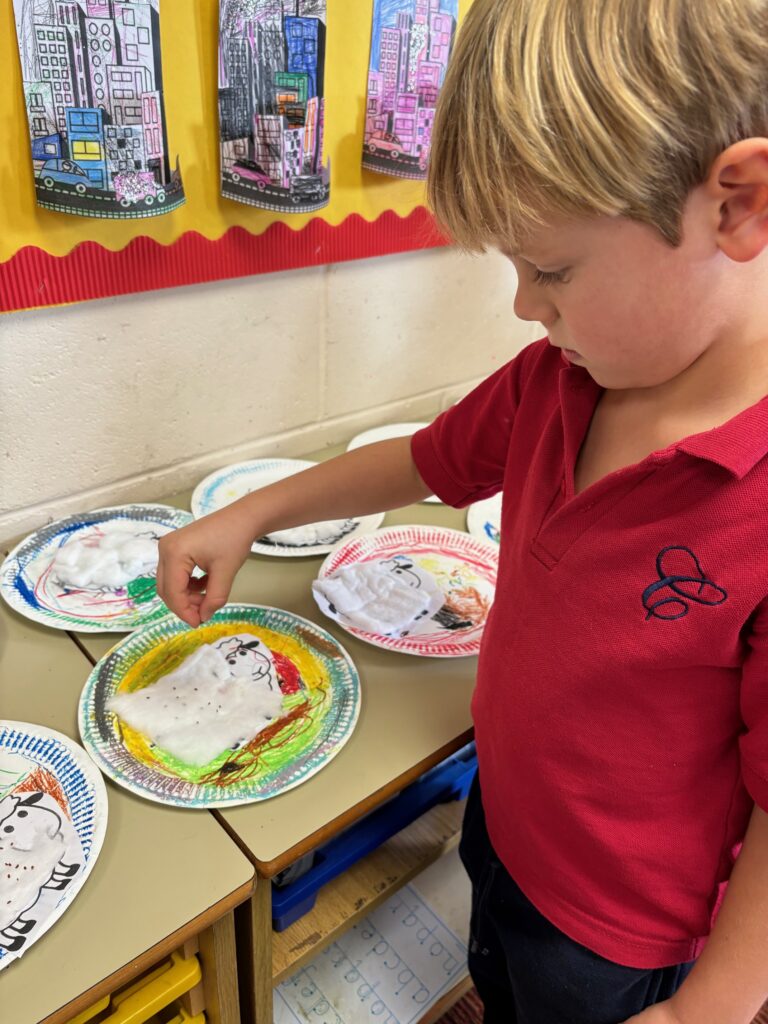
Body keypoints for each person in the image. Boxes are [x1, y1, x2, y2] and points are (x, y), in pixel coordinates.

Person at [157, 2, 768, 1020]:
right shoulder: (555, 378)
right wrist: (251, 513)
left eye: (554, 270)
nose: (526, 305)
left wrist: (711, 1006)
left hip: (625, 947)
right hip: (503, 835)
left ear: (739, 204)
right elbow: (424, 460)